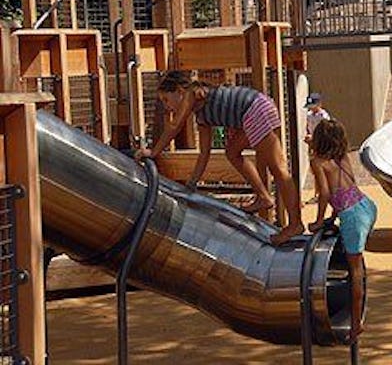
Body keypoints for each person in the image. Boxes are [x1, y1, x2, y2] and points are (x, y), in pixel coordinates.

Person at [134, 70, 304, 245]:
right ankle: (263, 197)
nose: (167, 106)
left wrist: (153, 152)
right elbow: (204, 154)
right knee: (231, 152)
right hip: (250, 113)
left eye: (166, 100)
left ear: (179, 91)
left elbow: (175, 125)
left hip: (255, 109)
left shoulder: (192, 93)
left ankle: (295, 223)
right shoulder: (202, 116)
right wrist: (192, 183)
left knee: (278, 169)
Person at [305, 119, 377, 341]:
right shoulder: (343, 157)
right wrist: (334, 217)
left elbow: (325, 193)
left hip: (353, 216)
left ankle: (356, 324)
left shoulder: (318, 162)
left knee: (354, 271)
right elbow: (346, 187)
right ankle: (355, 314)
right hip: (366, 205)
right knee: (353, 259)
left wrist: (319, 221)